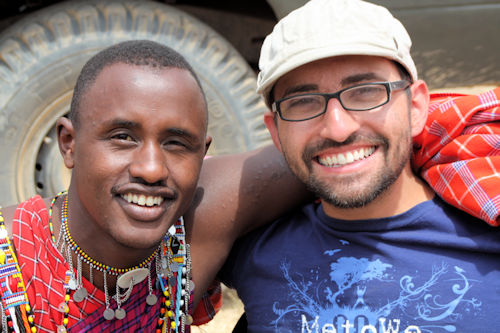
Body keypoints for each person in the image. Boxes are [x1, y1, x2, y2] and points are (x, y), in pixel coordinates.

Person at [219, 0, 500, 332]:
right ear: (275, 133)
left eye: (366, 92)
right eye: (303, 102)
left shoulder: (488, 239)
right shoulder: (250, 248)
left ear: (417, 108)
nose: (338, 128)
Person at [0, 40, 309, 333]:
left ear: (203, 154)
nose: (150, 169)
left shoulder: (197, 221)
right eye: (122, 137)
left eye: (176, 143)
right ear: (69, 144)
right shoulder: (11, 262)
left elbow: (322, 157)